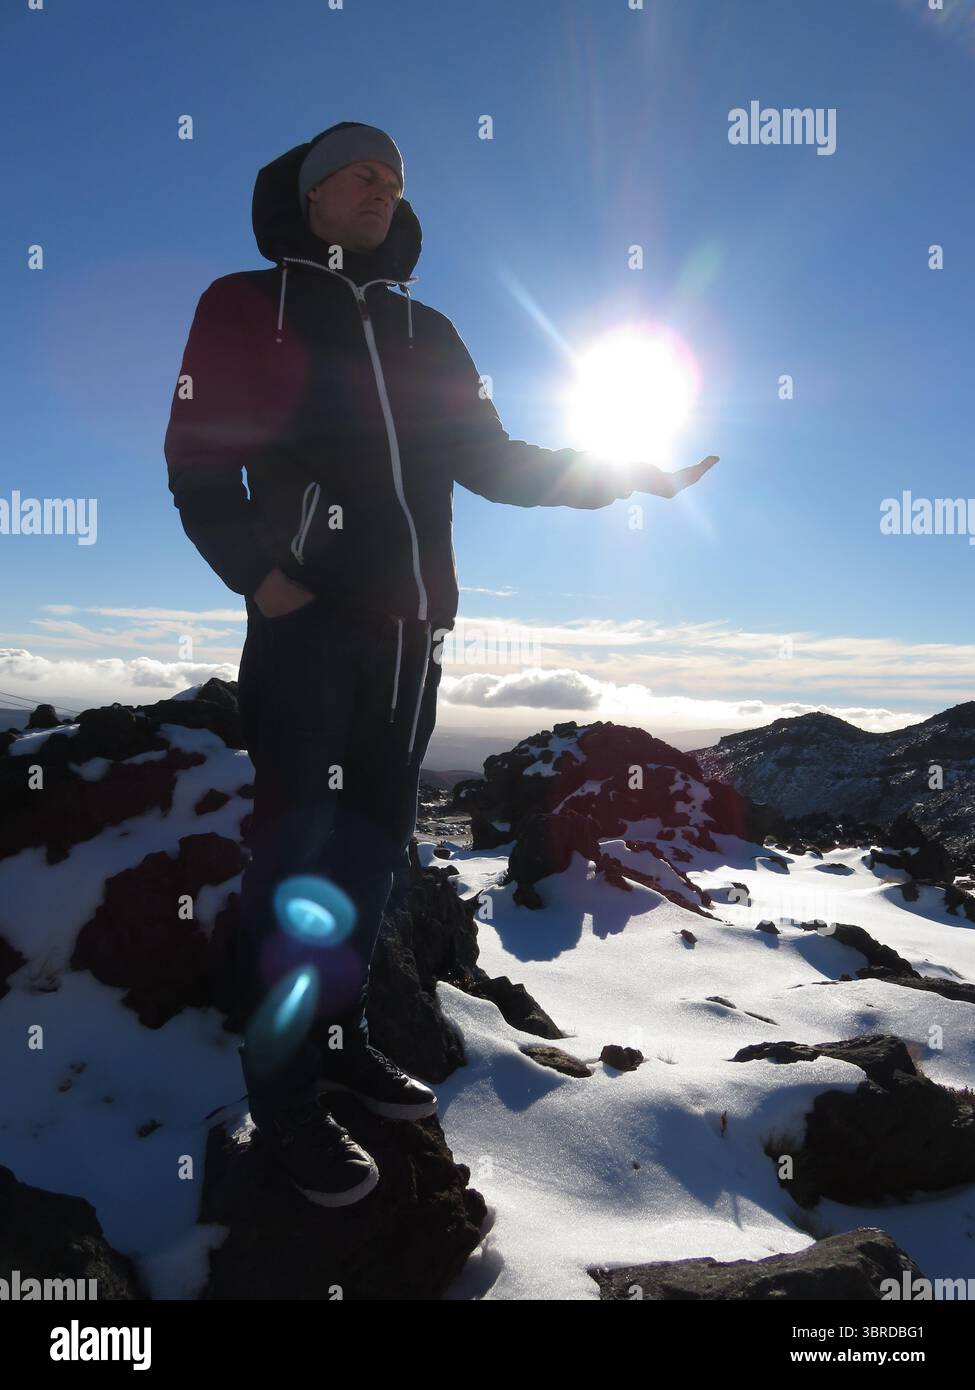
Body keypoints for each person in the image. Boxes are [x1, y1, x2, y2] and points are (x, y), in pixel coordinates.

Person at [163, 122, 718, 1208]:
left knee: (370, 856)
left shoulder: (431, 329)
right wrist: (257, 576)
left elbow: (493, 460)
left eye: (396, 179)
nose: (382, 189)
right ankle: (283, 1104)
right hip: (309, 628)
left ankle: (343, 1034)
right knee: (299, 858)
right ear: (312, 195)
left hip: (415, 637)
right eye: (361, 174)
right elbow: (194, 455)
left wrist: (620, 471)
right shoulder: (247, 302)